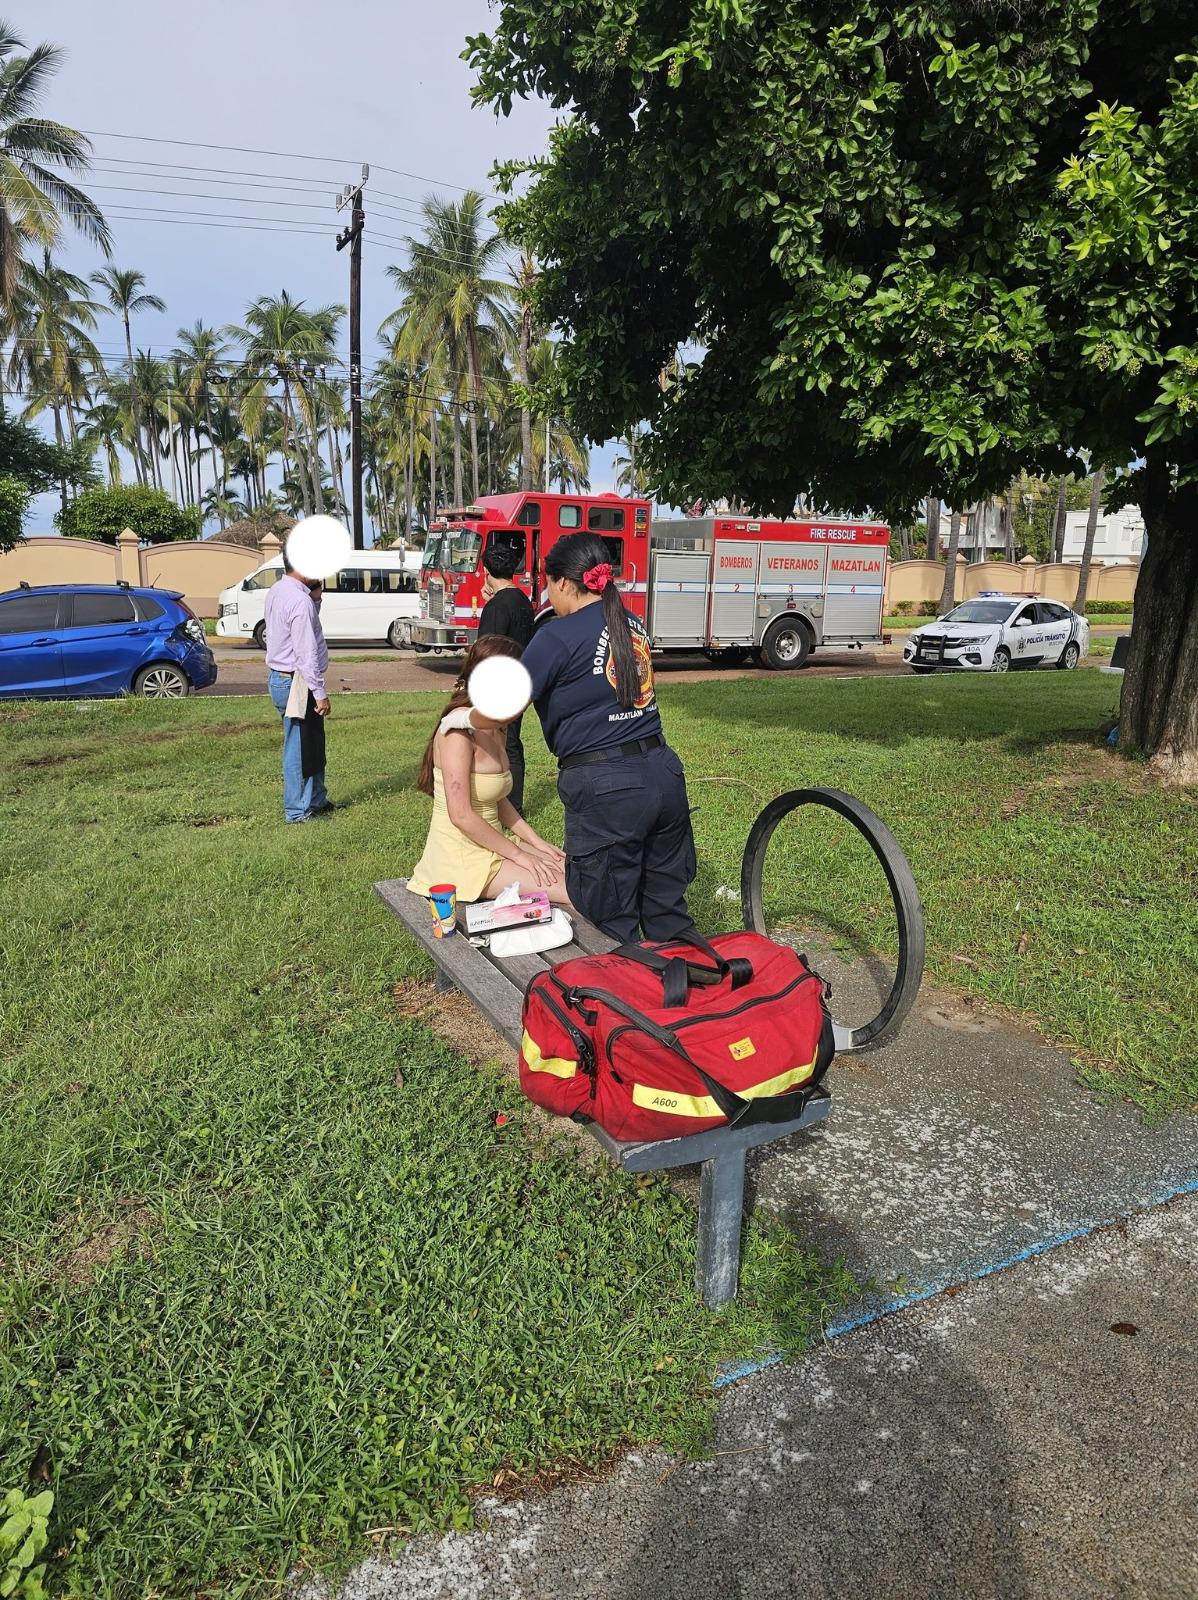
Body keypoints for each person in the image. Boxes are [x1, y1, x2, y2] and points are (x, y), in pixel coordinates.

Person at [520, 532, 696, 942]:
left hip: (607, 790)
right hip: (663, 773)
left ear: (564, 583)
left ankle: (628, 983)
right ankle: (687, 978)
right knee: (667, 913)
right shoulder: (632, 623)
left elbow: (502, 705)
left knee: (609, 923)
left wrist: (461, 716)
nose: (548, 595)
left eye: (548, 584)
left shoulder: (555, 636)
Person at [408, 635, 570, 906]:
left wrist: (535, 842)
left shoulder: (496, 726)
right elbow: (460, 815)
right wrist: (520, 855)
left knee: (577, 874)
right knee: (573, 893)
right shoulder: (457, 732)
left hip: (492, 846)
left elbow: (497, 798)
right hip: (460, 860)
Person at [264, 551, 332, 824]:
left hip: (285, 678)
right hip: (297, 682)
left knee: (312, 741)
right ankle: (297, 811)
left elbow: (302, 628)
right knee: (300, 747)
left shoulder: (279, 590)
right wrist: (320, 693)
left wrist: (315, 599)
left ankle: (316, 800)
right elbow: (306, 653)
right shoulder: (299, 601)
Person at [476, 541, 535, 812]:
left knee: (497, 743)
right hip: (520, 680)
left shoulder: (497, 606)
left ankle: (506, 805)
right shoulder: (522, 600)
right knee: (511, 742)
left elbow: (487, 650)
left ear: (487, 571)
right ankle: (513, 803)